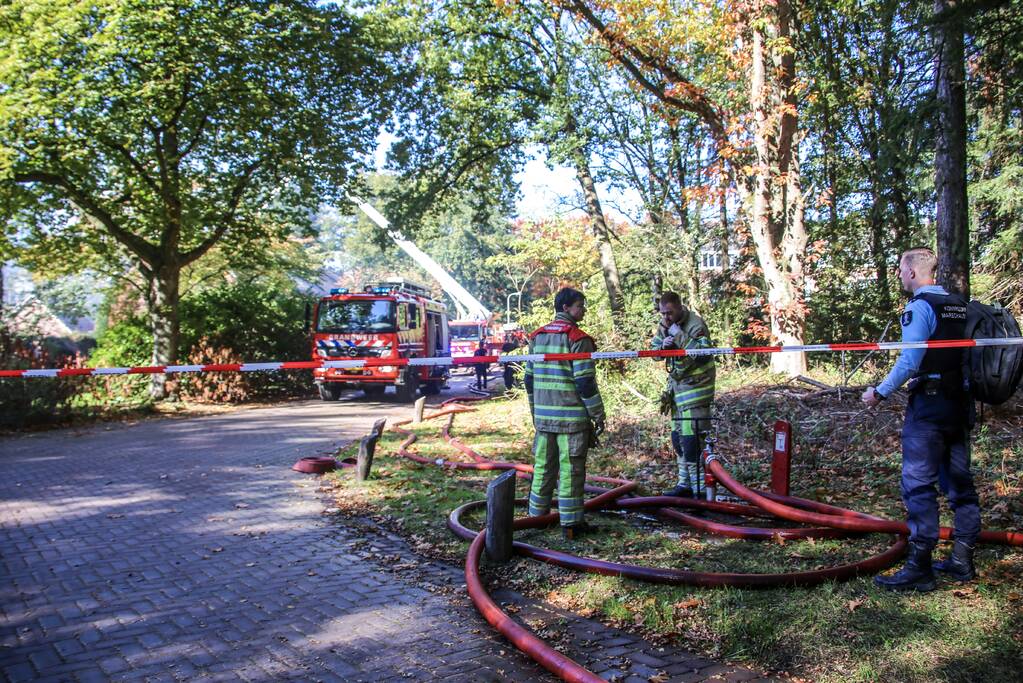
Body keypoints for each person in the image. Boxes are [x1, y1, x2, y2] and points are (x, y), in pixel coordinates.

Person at [863, 246, 978, 592]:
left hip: (929, 408)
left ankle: (920, 567)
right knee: (960, 484)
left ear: (913, 272)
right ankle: (962, 559)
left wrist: (879, 392)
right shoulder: (960, 305)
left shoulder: (919, 308)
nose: (899, 274)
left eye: (900, 268)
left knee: (919, 486)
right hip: (960, 405)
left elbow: (910, 361)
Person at [524, 288, 606, 540]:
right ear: (566, 308)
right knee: (571, 471)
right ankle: (571, 525)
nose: (583, 310)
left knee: (543, 468)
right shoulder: (577, 338)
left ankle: (536, 519)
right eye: (580, 305)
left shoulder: (537, 337)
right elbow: (585, 383)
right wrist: (598, 413)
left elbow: (529, 380)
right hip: (571, 421)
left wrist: (535, 411)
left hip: (544, 420)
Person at [652, 291, 716, 498]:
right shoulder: (664, 325)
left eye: (669, 313)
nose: (666, 318)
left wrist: (678, 335)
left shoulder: (696, 324)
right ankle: (684, 485)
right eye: (662, 314)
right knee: (678, 440)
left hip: (696, 392)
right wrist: (663, 346)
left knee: (692, 442)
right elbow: (653, 353)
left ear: (680, 307)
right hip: (677, 394)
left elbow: (702, 355)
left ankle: (699, 491)